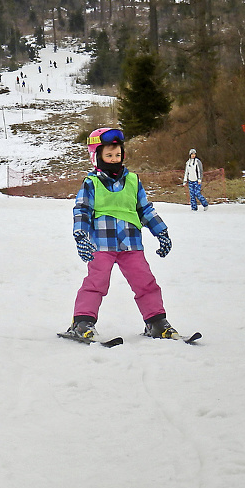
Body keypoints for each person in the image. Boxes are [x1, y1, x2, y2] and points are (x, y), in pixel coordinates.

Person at [65, 127, 179, 341]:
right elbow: (82, 210)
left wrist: (161, 232)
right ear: (97, 157)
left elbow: (145, 210)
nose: (114, 160)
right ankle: (82, 322)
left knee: (145, 282)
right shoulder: (92, 183)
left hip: (131, 244)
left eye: (118, 155)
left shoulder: (134, 181)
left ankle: (156, 322)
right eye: (108, 156)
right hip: (102, 244)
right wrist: (81, 236)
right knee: (96, 283)